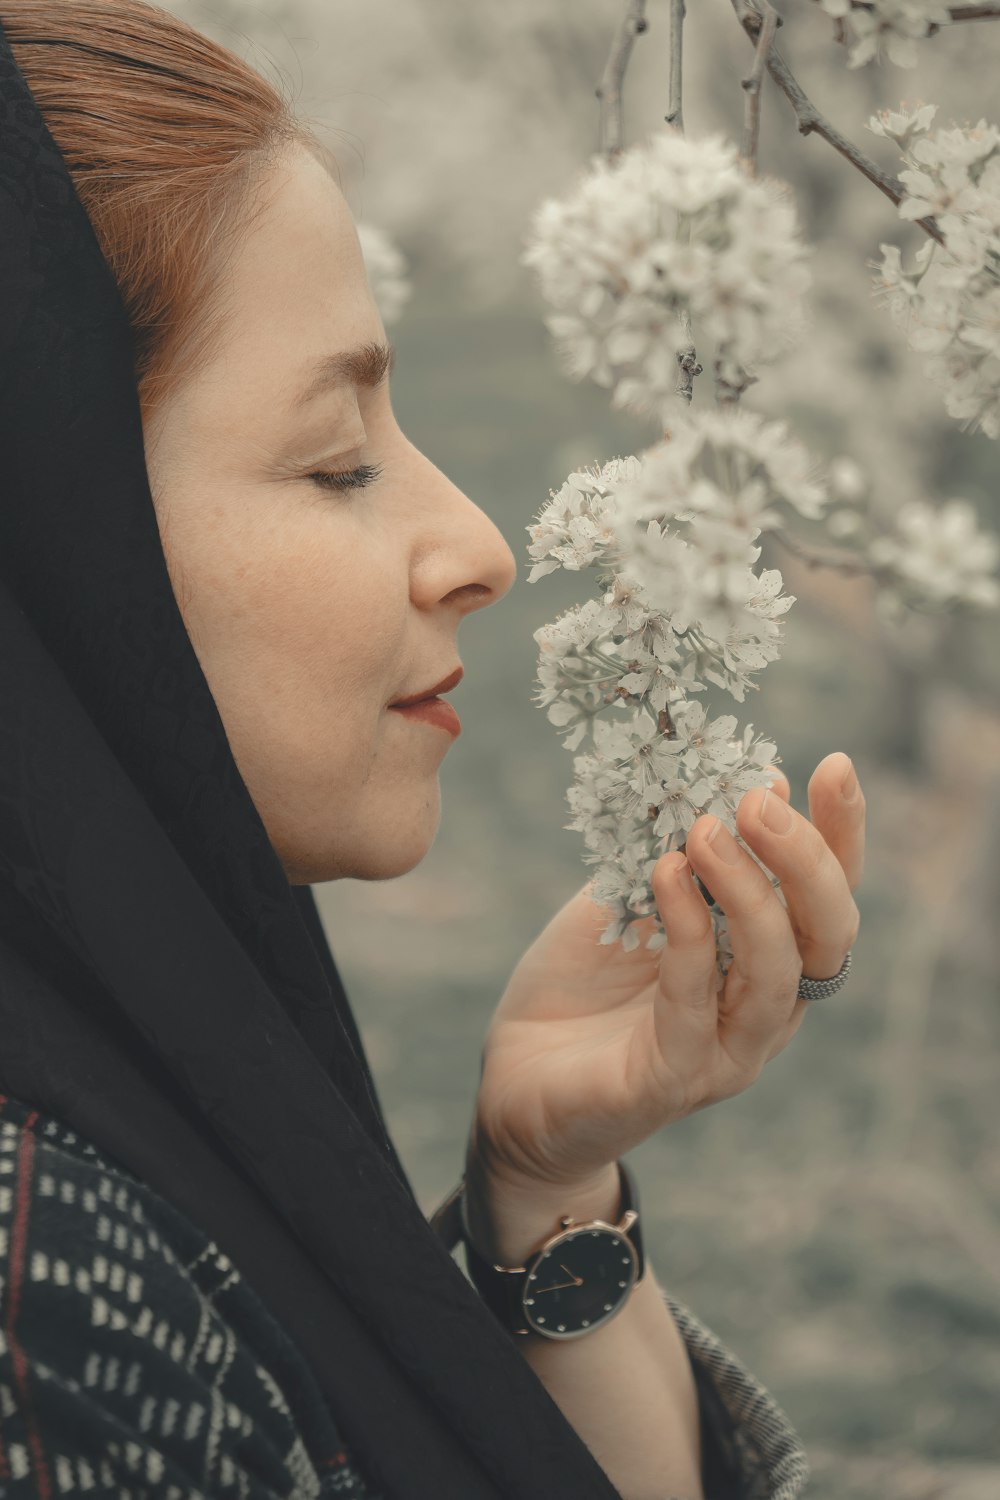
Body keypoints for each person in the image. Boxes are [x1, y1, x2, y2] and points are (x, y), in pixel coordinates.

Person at [0, 2, 864, 1497]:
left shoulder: (127, 1090)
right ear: (54, 538)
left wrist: (544, 1196)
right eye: (336, 461)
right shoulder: (41, 1298)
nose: (477, 544)